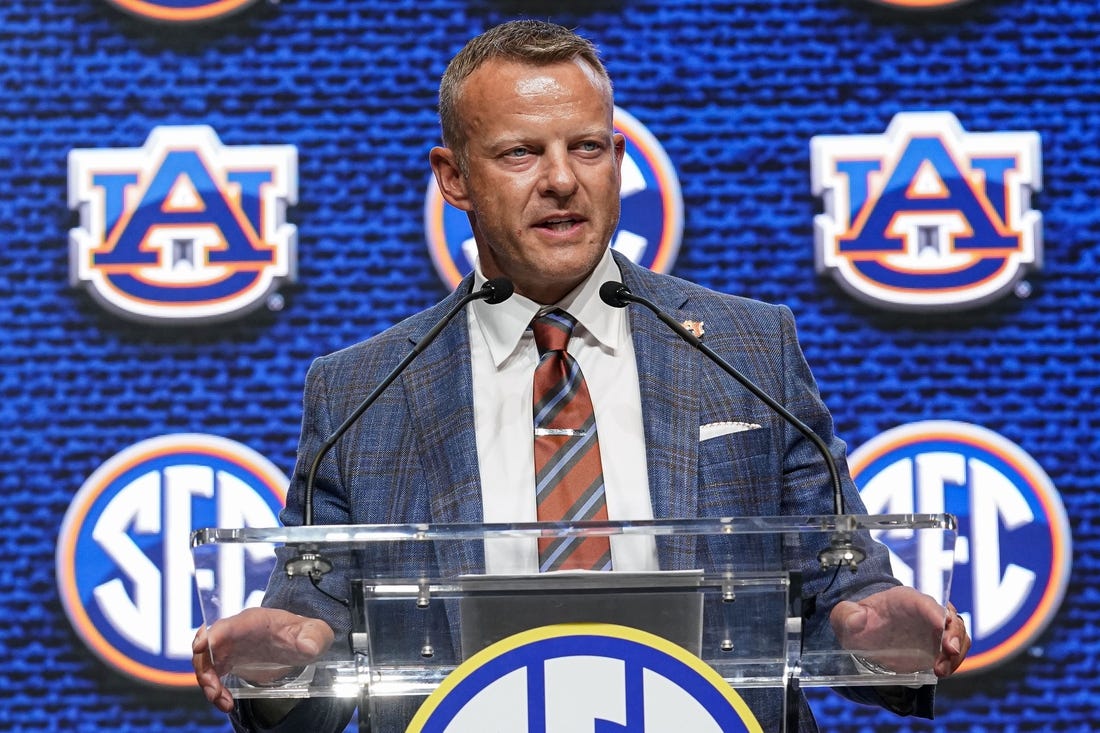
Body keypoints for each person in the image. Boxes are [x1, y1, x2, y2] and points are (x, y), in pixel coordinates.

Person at [193, 19, 970, 732]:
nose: (562, 179)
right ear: (454, 176)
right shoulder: (362, 390)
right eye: (520, 152)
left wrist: (882, 625)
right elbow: (307, 634)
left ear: (619, 161)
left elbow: (845, 587)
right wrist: (279, 664)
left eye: (588, 147)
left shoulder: (747, 349)